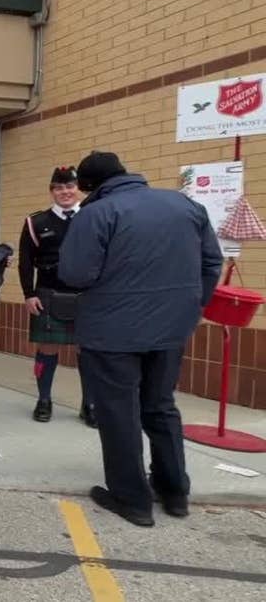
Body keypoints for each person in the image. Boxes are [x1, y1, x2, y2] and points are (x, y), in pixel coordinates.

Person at [59, 151, 223, 527]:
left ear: (88, 186)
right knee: (161, 405)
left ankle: (131, 499)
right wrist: (191, 306)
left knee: (119, 412)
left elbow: (76, 273)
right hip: (171, 329)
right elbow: (211, 263)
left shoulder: (97, 213)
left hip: (111, 331)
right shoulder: (184, 205)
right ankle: (174, 491)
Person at [17, 166, 93, 425]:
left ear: (77, 189)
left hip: (87, 295)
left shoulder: (93, 217)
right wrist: (29, 294)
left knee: (90, 351)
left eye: (70, 186)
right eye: (59, 188)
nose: (65, 192)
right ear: (52, 191)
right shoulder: (36, 222)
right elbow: (25, 262)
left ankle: (90, 404)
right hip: (49, 293)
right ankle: (44, 400)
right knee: (47, 349)